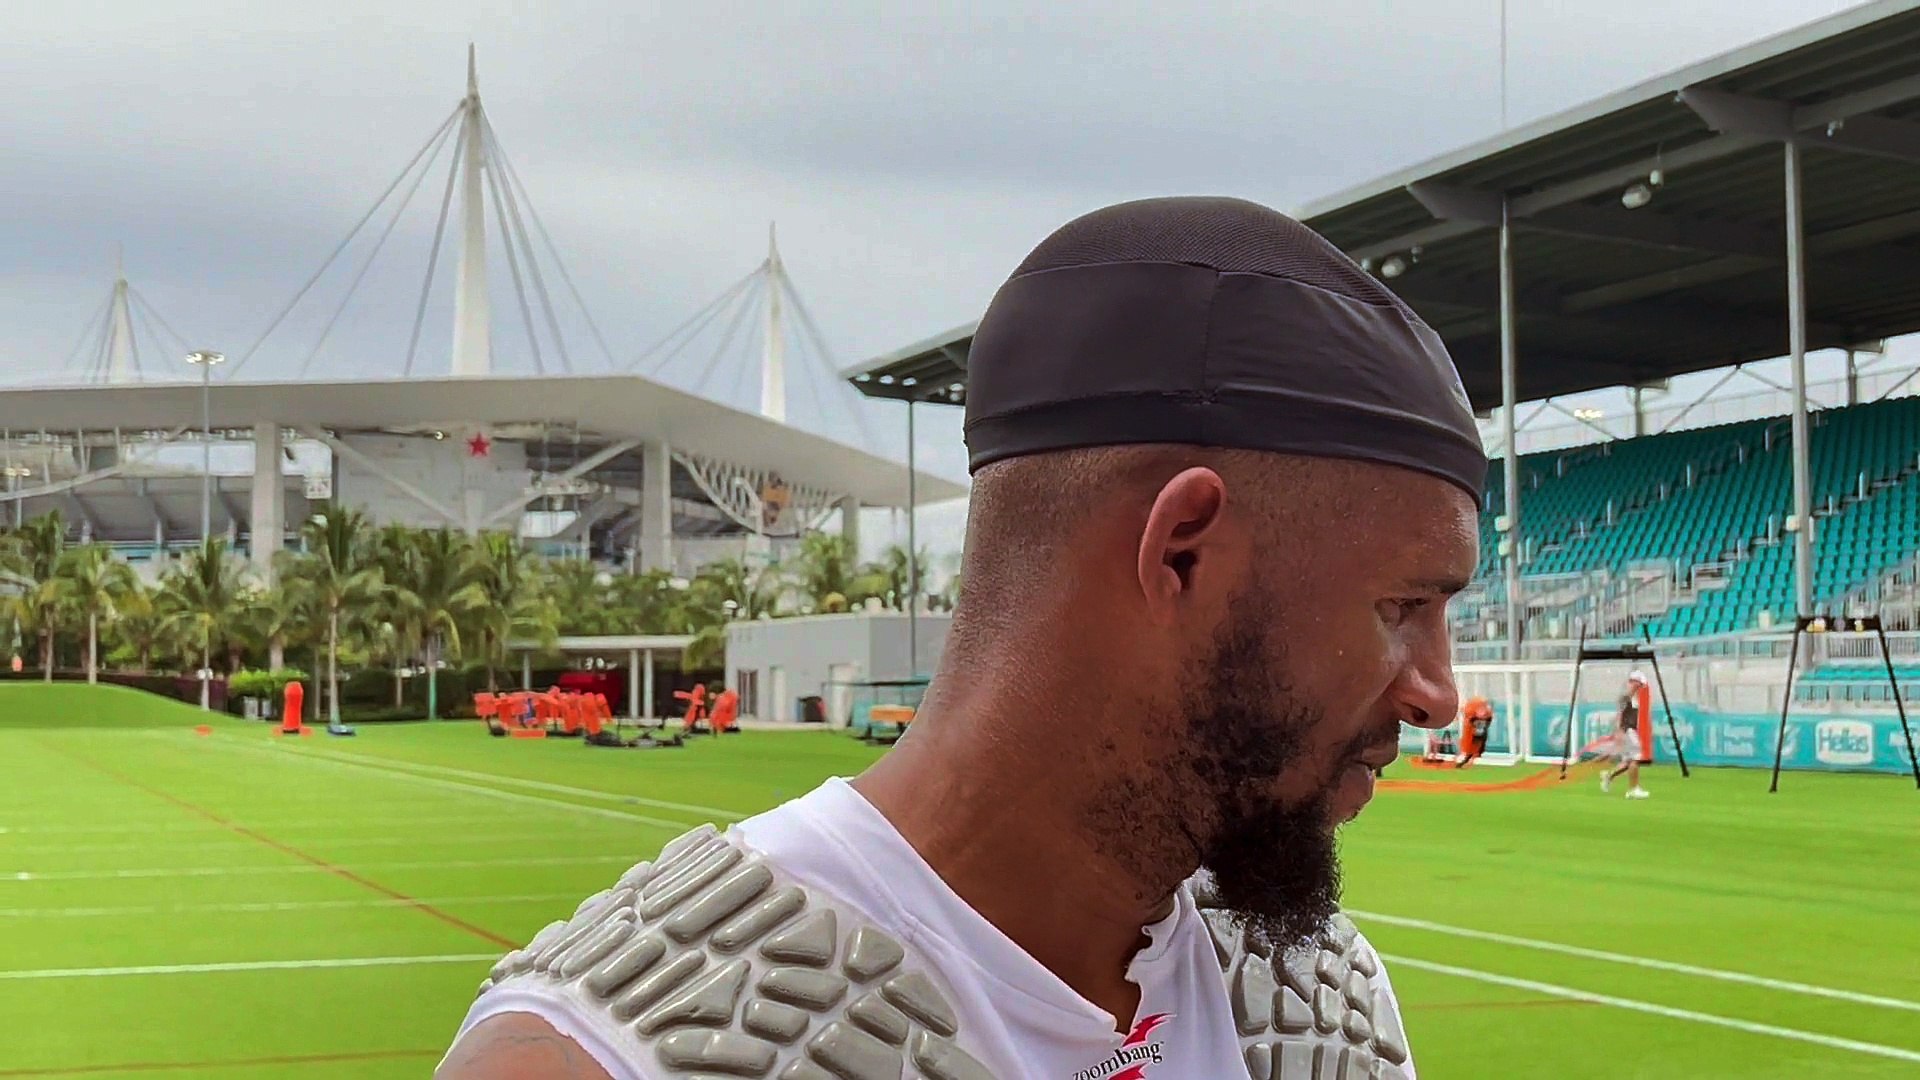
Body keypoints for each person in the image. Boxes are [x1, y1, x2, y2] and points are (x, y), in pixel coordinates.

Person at [436, 196, 1483, 1080]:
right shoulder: (615, 1049)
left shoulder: (1323, 1011)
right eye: (1404, 608)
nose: (1439, 691)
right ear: (1182, 553)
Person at [1600, 671, 1652, 799]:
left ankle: (1609, 776)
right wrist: (1619, 732)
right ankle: (1633, 789)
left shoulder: (1634, 698)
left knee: (1628, 761)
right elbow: (1619, 715)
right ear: (1634, 682)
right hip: (1628, 731)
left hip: (1629, 730)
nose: (1640, 687)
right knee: (1636, 758)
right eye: (1638, 684)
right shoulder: (1626, 697)